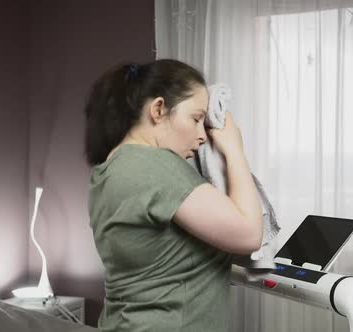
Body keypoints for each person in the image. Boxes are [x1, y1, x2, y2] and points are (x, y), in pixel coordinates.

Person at [85, 59, 263, 332]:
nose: (203, 135)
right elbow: (249, 233)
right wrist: (234, 149)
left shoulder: (110, 168)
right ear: (158, 110)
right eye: (195, 119)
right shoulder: (157, 166)